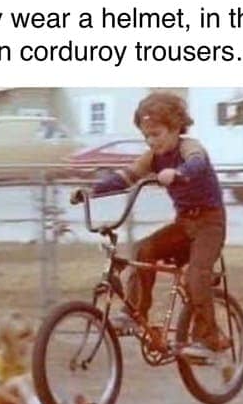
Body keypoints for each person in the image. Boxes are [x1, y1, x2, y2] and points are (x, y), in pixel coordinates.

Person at [92, 91, 227, 360]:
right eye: (147, 136)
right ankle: (135, 314)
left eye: (156, 134)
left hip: (209, 224)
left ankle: (208, 339)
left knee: (196, 275)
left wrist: (178, 173)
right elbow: (127, 176)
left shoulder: (188, 147)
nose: (151, 141)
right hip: (184, 224)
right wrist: (92, 190)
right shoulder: (152, 157)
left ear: (175, 128)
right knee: (144, 251)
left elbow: (197, 163)